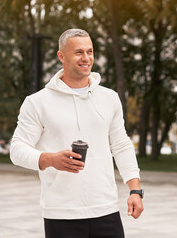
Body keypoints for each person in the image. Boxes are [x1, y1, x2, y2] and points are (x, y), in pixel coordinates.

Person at [10, 28, 144, 238]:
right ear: (61, 56)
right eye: (79, 52)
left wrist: (135, 190)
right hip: (61, 213)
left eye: (90, 52)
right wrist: (50, 159)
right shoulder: (37, 102)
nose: (86, 58)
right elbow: (17, 150)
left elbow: (121, 145)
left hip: (106, 210)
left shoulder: (109, 98)